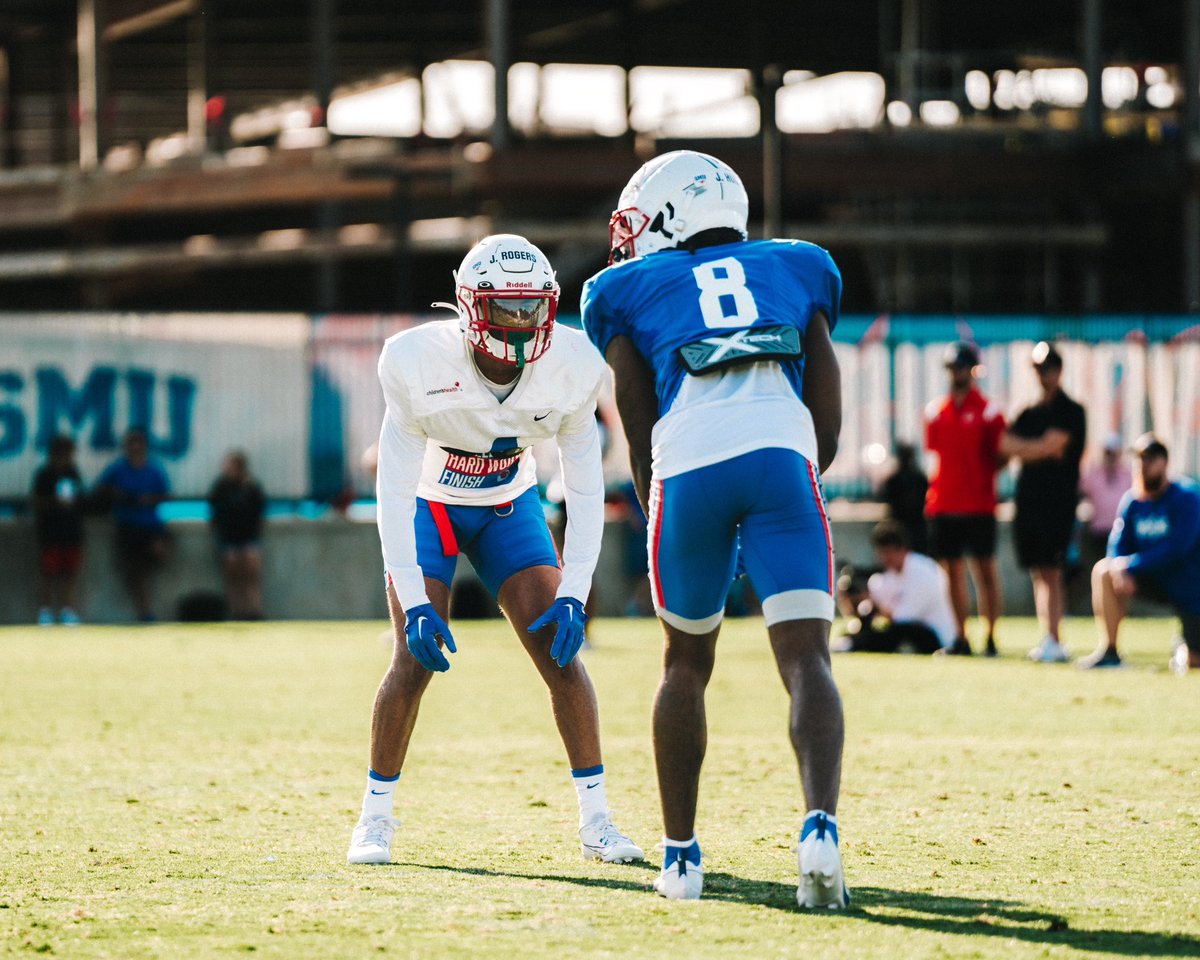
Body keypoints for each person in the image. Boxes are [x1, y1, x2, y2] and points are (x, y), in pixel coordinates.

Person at [583, 150, 849, 907]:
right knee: (807, 660)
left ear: (669, 218)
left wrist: (658, 506)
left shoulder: (624, 289)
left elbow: (637, 419)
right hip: (782, 452)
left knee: (684, 666)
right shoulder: (796, 266)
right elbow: (826, 395)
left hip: (690, 463)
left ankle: (681, 858)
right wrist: (803, 472)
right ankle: (820, 830)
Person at [348, 234, 642, 867]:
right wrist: (409, 593)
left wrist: (576, 592)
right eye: (503, 308)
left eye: (530, 308)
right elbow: (393, 491)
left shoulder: (574, 364)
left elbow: (587, 493)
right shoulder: (416, 360)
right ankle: (375, 816)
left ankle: (597, 822)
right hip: (430, 504)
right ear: (467, 305)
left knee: (561, 657)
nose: (519, 323)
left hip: (510, 506)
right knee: (411, 658)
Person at [1082, 434, 1200, 672]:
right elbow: (1117, 544)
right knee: (1104, 570)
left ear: (1164, 462)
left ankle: (1184, 646)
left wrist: (1131, 565)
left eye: (1149, 459)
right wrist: (1119, 567)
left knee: (1195, 663)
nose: (1142, 466)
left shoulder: (1186, 497)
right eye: (1138, 460)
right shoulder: (1133, 501)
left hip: (1189, 588)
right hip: (1153, 580)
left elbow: (1178, 547)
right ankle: (1110, 651)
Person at [1000, 342, 1086, 663]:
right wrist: (1036, 447)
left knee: (1052, 570)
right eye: (1038, 368)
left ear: (1059, 370)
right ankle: (1048, 636)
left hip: (1057, 501)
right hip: (1030, 501)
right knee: (1039, 570)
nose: (1042, 374)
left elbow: (1053, 447)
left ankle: (1054, 637)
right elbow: (1005, 445)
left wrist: (1028, 448)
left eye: (1047, 368)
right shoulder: (1029, 412)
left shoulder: (1071, 411)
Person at [923, 341, 1006, 656]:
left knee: (985, 572)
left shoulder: (988, 410)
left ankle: (991, 635)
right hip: (944, 503)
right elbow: (934, 457)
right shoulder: (936, 411)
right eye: (952, 368)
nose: (955, 373)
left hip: (979, 503)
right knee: (952, 573)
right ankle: (960, 636)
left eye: (960, 367)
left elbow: (1000, 454)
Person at [837, 521, 956, 654]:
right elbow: (871, 603)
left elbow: (904, 618)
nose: (884, 558)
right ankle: (853, 642)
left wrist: (877, 605)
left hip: (937, 637)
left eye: (888, 552)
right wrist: (852, 599)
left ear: (902, 549)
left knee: (895, 632)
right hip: (915, 632)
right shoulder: (893, 573)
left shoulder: (922, 571)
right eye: (881, 553)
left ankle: (854, 644)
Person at [96, 427, 170, 623]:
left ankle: (146, 608)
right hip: (127, 525)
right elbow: (101, 491)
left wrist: (148, 499)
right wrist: (122, 497)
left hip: (150, 526)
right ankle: (144, 611)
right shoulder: (118, 469)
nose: (136, 447)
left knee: (149, 565)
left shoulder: (153, 470)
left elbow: (165, 494)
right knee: (134, 570)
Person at [30, 435, 86, 626]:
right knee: (49, 572)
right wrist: (54, 501)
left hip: (71, 531)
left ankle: (67, 609)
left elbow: (81, 499)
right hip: (51, 531)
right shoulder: (44, 475)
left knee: (70, 572)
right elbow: (36, 501)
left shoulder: (73, 473)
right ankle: (45, 610)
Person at [208, 450, 267, 620]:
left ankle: (254, 610)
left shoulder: (251, 487)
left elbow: (258, 511)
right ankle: (236, 611)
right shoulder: (221, 487)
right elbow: (215, 511)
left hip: (248, 537)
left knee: (251, 574)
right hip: (229, 539)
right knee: (232, 576)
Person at [1078, 433, 1132, 573]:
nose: (1111, 456)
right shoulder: (1093, 474)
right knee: (1100, 571)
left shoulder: (1128, 474)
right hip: (1099, 531)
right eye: (1108, 452)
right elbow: (1079, 490)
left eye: (1113, 452)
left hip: (1122, 531)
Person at [879, 442, 929, 555]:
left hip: (898, 529)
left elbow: (885, 498)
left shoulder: (893, 480)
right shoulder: (920, 478)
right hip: (918, 528)